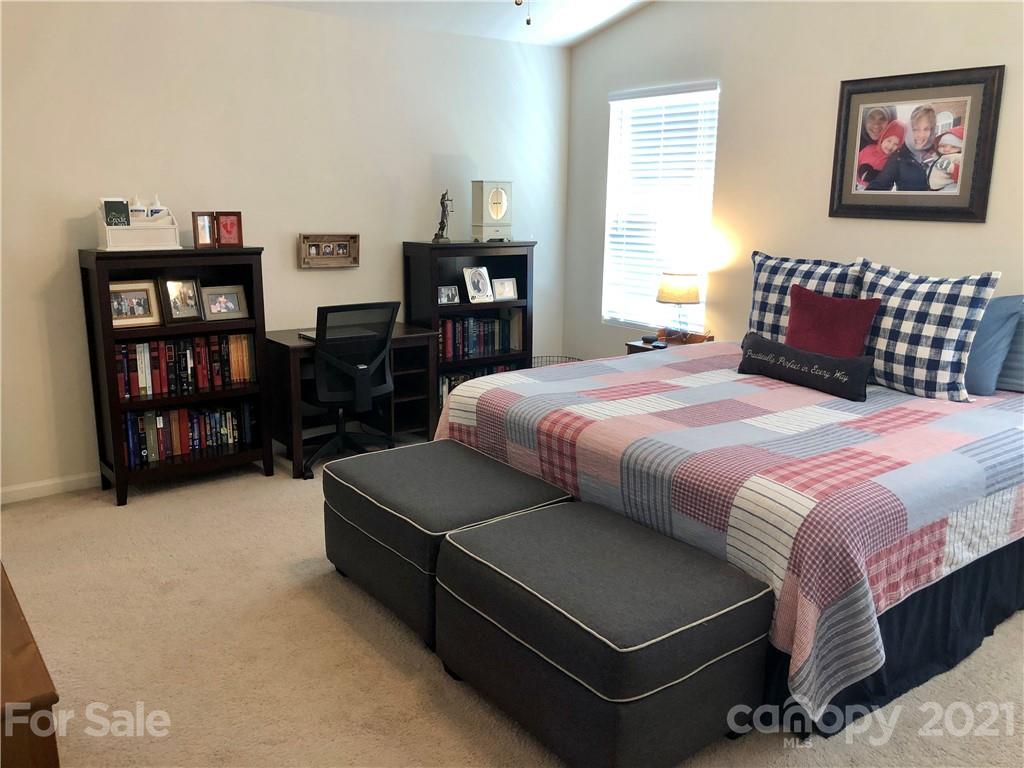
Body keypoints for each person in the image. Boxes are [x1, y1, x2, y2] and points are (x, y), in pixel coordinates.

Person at [866, 104, 937, 191]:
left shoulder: (939, 151)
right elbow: (879, 185)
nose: (921, 135)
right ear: (910, 129)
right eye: (915, 129)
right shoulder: (899, 157)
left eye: (926, 129)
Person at [857, 120, 905, 188]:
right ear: (883, 137)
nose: (890, 146)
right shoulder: (868, 149)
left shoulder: (892, 162)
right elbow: (854, 164)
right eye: (889, 140)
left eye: (896, 144)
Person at [928, 125, 964, 191]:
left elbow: (965, 174)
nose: (947, 149)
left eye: (954, 147)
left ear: (961, 148)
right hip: (930, 188)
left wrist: (953, 168)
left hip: (947, 188)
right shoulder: (936, 155)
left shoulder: (959, 157)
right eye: (943, 146)